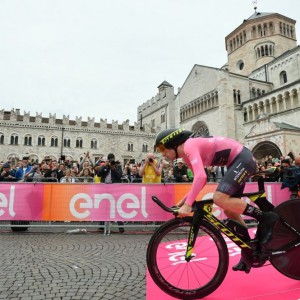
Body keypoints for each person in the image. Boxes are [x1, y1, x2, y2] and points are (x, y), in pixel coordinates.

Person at [154, 128, 279, 272]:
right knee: (229, 210)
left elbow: (201, 177)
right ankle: (249, 252)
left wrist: (189, 204)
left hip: (242, 159)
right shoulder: (186, 157)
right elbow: (200, 180)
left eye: (163, 148)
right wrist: (185, 201)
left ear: (174, 143)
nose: (162, 153)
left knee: (219, 198)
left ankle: (267, 218)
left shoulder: (189, 145)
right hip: (236, 162)